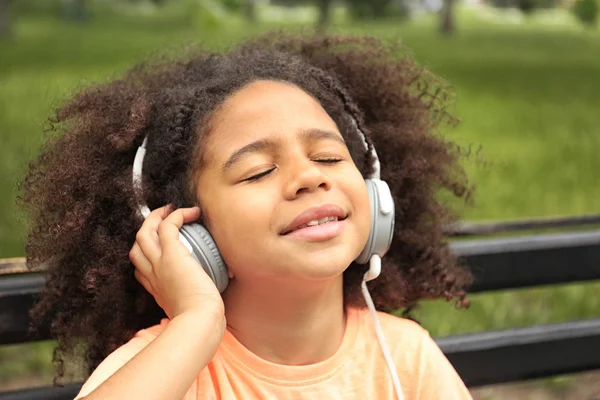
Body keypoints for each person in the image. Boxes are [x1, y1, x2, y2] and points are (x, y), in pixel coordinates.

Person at [20, 31, 474, 399]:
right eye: (258, 172)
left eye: (330, 158)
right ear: (188, 233)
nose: (308, 177)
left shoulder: (404, 356)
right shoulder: (173, 367)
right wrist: (197, 321)